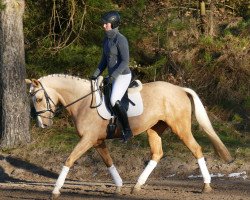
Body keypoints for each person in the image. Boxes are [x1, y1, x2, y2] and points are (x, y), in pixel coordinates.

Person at [91, 11, 133, 141]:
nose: (103, 25)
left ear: (113, 24)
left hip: (123, 75)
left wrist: (113, 76)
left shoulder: (120, 39)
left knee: (114, 99)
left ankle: (127, 130)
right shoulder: (106, 40)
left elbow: (125, 61)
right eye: (103, 23)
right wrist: (95, 74)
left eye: (106, 23)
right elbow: (104, 60)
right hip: (112, 76)